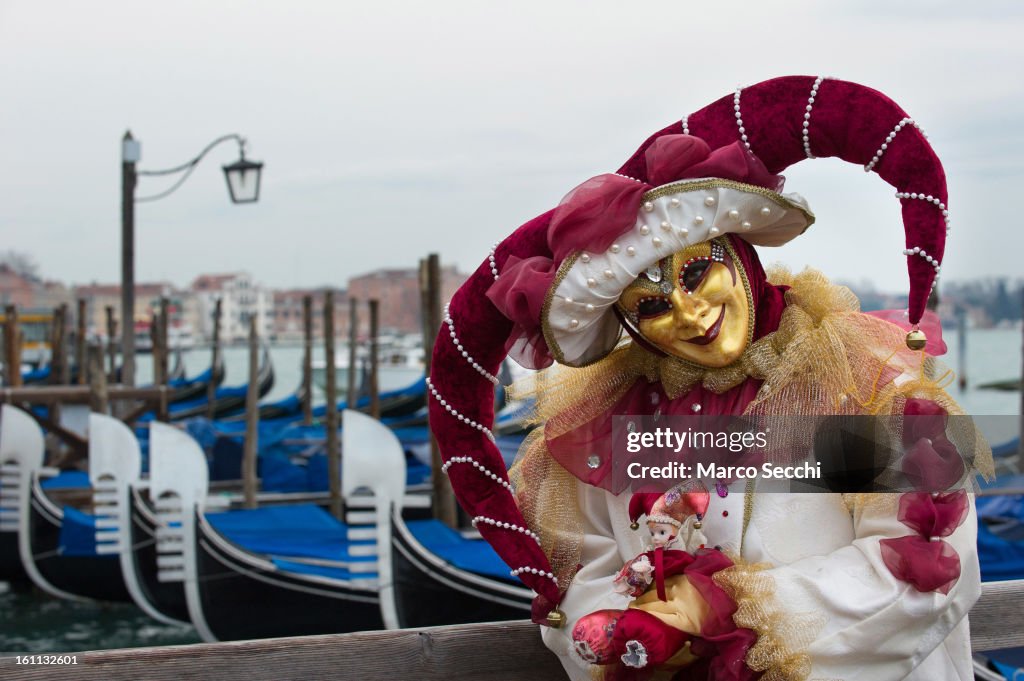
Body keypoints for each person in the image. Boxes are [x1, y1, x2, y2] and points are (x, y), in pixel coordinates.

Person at [427, 75, 993, 680]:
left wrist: (721, 615)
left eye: (696, 273)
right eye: (650, 306)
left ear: (738, 252)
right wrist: (626, 633)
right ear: (628, 325)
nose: (689, 314)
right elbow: (581, 580)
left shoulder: (857, 382)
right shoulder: (609, 426)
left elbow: (920, 566)